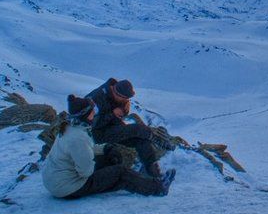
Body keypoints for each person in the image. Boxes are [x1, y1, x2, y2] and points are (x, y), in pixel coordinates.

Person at [41, 94, 175, 198]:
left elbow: (81, 150)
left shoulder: (69, 127)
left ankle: (129, 180)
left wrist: (105, 149)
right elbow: (85, 172)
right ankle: (158, 188)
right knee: (120, 172)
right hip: (68, 188)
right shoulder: (78, 138)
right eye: (92, 111)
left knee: (111, 159)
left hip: (55, 182)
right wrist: (103, 170)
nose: (95, 113)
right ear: (85, 115)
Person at [85, 78, 172, 178]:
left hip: (112, 127)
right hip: (96, 134)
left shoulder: (118, 95)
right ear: (115, 92)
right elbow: (92, 124)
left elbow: (120, 115)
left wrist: (124, 110)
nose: (126, 100)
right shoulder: (96, 98)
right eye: (124, 98)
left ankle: (152, 170)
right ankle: (158, 140)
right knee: (137, 129)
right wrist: (112, 114)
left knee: (141, 140)